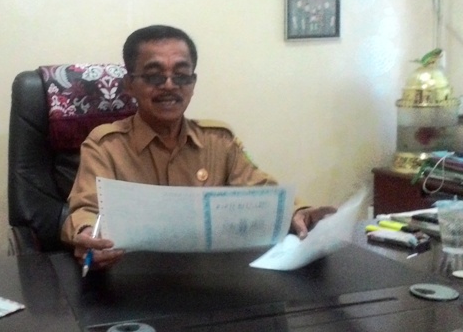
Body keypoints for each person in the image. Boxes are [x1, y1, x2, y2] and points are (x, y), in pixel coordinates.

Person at [61, 25, 337, 271]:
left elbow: (264, 195)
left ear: (193, 83)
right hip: (133, 279)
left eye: (182, 75)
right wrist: (88, 234)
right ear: (130, 85)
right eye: (155, 76)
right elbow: (86, 209)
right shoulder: (106, 145)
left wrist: (298, 212)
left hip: (211, 279)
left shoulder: (218, 141)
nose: (170, 86)